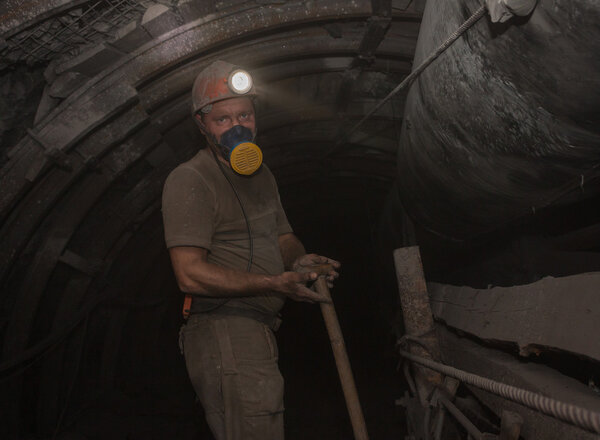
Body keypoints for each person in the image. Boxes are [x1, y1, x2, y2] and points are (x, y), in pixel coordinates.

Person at [161, 60, 340, 440]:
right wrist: (274, 283)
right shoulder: (190, 179)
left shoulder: (262, 174)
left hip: (256, 330)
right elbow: (188, 273)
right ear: (202, 126)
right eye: (222, 120)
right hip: (224, 329)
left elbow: (282, 236)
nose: (237, 126)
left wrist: (298, 260)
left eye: (244, 114)